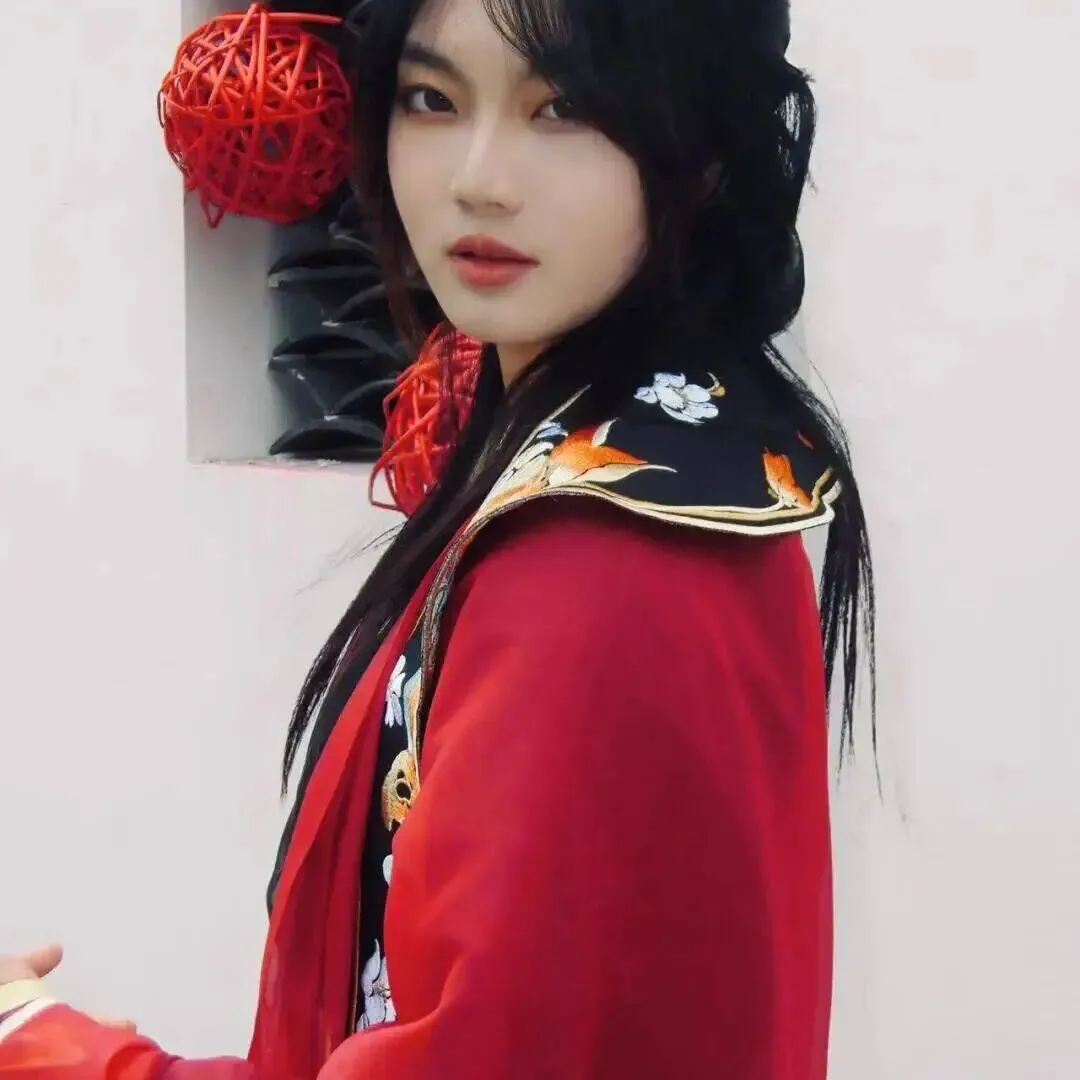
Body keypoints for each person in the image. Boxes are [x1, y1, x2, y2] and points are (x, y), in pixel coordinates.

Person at [0, 0, 875, 1075]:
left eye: (562, 106)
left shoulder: (597, 563)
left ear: (704, 148)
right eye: (430, 98)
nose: (478, 178)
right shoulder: (679, 455)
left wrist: (41, 1049)